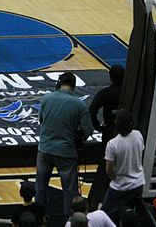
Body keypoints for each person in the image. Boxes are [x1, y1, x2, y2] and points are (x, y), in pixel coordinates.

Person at [35, 72, 94, 218]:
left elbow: (41, 120)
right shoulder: (79, 104)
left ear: (58, 84)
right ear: (74, 86)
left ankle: (39, 217)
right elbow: (88, 130)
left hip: (45, 150)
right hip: (66, 153)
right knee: (69, 190)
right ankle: (71, 220)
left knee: (41, 187)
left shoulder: (46, 98)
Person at [100, 111, 144, 225]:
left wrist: (114, 177)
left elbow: (109, 170)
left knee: (104, 216)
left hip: (121, 187)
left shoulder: (113, 144)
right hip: (138, 184)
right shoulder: (138, 135)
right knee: (128, 217)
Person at [89, 65, 125, 145]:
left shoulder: (105, 93)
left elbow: (92, 110)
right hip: (127, 129)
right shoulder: (130, 92)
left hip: (110, 130)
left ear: (110, 77)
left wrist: (98, 127)